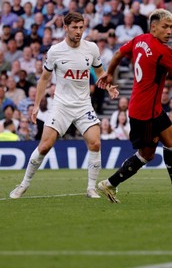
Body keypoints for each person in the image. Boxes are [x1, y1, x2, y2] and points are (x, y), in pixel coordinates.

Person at [96, 9, 172, 203]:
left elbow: (119, 53)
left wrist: (109, 72)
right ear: (153, 28)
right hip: (144, 112)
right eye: (165, 27)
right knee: (147, 155)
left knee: (171, 141)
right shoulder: (163, 51)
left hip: (151, 108)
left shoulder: (139, 40)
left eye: (171, 27)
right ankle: (110, 183)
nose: (169, 31)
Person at [9, 12, 119, 199]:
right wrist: (36, 105)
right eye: (74, 27)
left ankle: (91, 187)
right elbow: (44, 78)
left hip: (84, 105)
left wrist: (108, 86)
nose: (78, 31)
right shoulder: (55, 51)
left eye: (81, 27)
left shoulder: (91, 48)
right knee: (44, 146)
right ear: (65, 28)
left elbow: (100, 72)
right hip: (61, 106)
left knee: (95, 143)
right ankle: (24, 184)